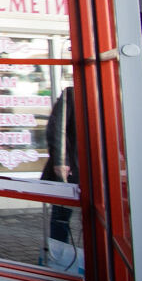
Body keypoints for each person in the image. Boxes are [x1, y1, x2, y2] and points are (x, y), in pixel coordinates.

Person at [41, 86, 77, 242]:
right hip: (71, 168)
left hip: (99, 169)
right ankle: (59, 252)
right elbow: (56, 129)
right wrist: (61, 162)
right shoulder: (71, 94)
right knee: (61, 216)